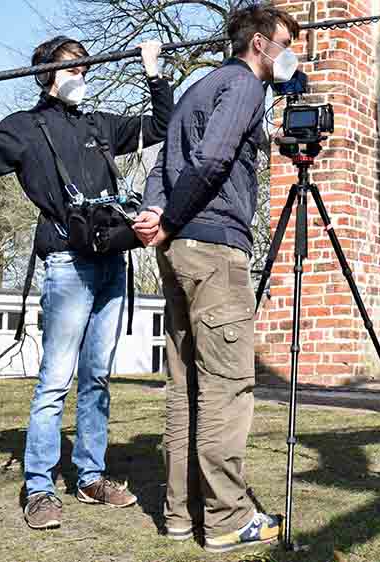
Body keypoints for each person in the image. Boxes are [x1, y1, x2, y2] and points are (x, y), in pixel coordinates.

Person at [0, 36, 173, 530]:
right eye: (72, 69)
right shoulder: (24, 130)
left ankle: (91, 476)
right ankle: (39, 488)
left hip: (111, 262)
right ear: (46, 77)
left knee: (97, 378)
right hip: (66, 266)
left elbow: (161, 124)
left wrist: (154, 73)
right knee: (56, 382)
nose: (82, 76)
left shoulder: (99, 125)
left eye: (86, 68)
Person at [131, 4, 300, 554]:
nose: (288, 55)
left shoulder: (198, 89)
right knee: (227, 388)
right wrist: (174, 217)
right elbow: (211, 159)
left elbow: (161, 166)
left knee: (185, 388)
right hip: (214, 249)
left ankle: (181, 514)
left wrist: (158, 216)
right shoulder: (247, 88)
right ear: (258, 44)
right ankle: (228, 517)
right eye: (284, 44)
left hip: (178, 252)